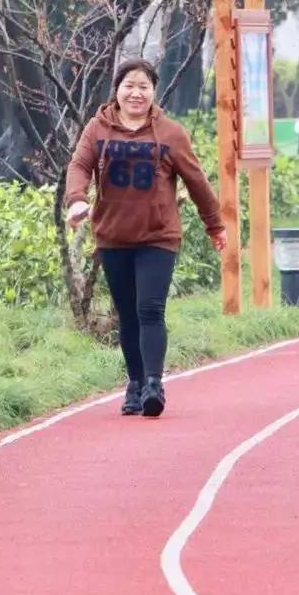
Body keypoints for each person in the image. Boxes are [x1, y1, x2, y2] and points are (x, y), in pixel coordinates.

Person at [65, 59, 227, 417]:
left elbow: (196, 181)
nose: (136, 93)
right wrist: (76, 200)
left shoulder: (171, 133)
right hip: (113, 236)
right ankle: (135, 383)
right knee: (127, 314)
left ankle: (154, 384)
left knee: (150, 309)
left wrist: (215, 225)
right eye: (129, 86)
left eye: (144, 87)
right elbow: (79, 165)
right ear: (117, 90)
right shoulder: (97, 128)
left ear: (154, 92)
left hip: (158, 237)